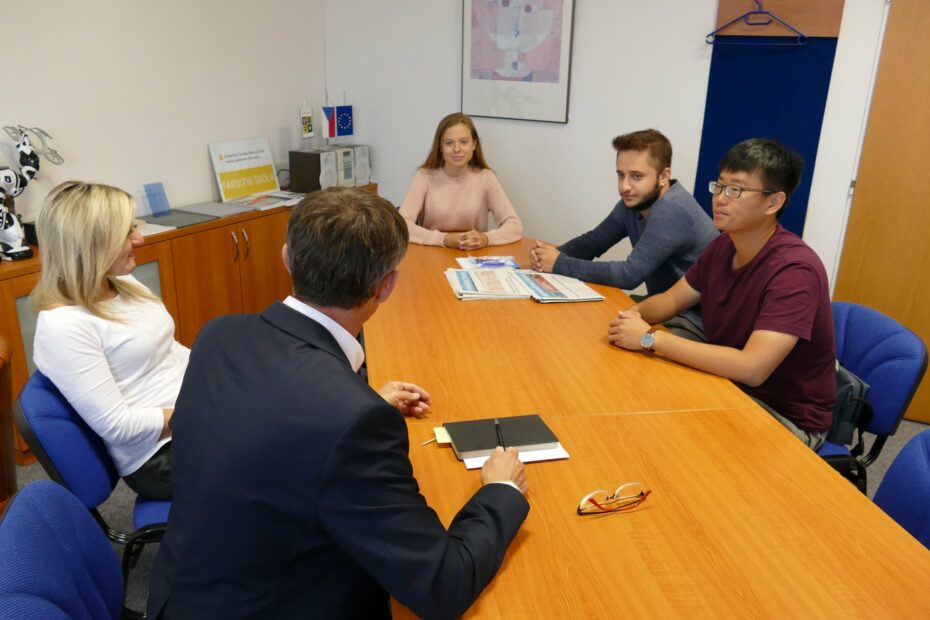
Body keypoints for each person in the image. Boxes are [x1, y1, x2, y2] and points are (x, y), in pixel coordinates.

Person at [148, 187, 530, 619]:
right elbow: (443, 585)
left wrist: (353, 400)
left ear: (287, 258)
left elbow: (268, 420)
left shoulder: (219, 337)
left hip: (180, 596)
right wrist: (500, 490)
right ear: (386, 286)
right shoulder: (353, 420)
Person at [607, 139, 835, 449]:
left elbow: (752, 368)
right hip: (731, 384)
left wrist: (649, 339)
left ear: (773, 203)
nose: (720, 199)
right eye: (720, 186)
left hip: (784, 414)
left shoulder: (795, 271)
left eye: (736, 190)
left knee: (668, 437)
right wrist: (630, 316)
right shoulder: (724, 244)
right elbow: (672, 300)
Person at [30, 181, 188, 500]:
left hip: (193, 413)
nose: (139, 239)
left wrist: (221, 379)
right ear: (91, 244)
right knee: (279, 443)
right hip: (159, 453)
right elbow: (119, 426)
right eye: (127, 233)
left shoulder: (122, 282)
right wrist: (203, 409)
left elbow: (168, 348)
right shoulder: (63, 326)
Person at [531, 129, 717, 335]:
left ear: (664, 176)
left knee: (601, 335)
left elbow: (628, 275)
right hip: (662, 308)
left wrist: (558, 263)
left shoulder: (672, 210)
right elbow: (593, 242)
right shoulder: (637, 201)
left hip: (697, 321)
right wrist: (546, 256)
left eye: (636, 176)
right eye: (621, 175)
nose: (624, 186)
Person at [399, 112, 523, 250]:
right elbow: (402, 224)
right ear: (440, 147)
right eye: (449, 143)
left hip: (473, 255)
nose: (457, 149)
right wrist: (444, 239)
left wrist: (486, 238)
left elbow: (514, 225)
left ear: (474, 144)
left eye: (464, 142)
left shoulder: (486, 177)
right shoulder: (424, 176)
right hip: (432, 251)